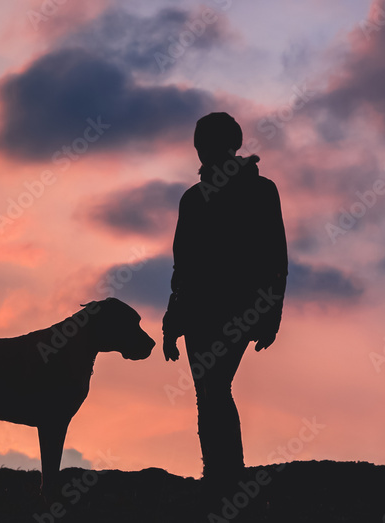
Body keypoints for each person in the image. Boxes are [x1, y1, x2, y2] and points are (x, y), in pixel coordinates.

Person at [162, 112, 288, 489]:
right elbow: (182, 265)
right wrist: (173, 321)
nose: (203, 151)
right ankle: (218, 473)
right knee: (208, 390)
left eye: (209, 143)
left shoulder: (262, 191)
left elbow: (275, 259)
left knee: (213, 387)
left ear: (229, 144)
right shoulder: (193, 198)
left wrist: (270, 313)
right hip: (199, 310)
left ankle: (225, 475)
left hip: (237, 309)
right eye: (201, 144)